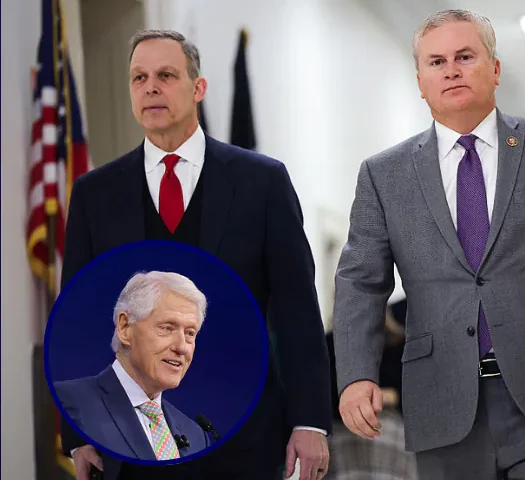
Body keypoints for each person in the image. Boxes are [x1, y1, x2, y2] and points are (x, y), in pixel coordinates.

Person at [333, 9, 525, 480]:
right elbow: (361, 282)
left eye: (465, 56)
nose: (452, 70)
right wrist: (357, 374)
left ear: (495, 68)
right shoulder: (384, 175)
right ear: (420, 81)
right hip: (441, 399)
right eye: (437, 62)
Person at [60, 30, 330, 480]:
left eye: (166, 75)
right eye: (139, 78)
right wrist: (79, 430)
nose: (150, 87)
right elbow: (79, 315)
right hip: (128, 440)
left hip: (245, 433)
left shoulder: (262, 182)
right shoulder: (94, 194)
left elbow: (297, 310)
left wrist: (309, 420)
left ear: (198, 87)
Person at [55, 272, 210, 474]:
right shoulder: (71, 401)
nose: (182, 347)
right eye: (167, 328)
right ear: (125, 327)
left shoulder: (196, 434)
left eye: (190, 333)